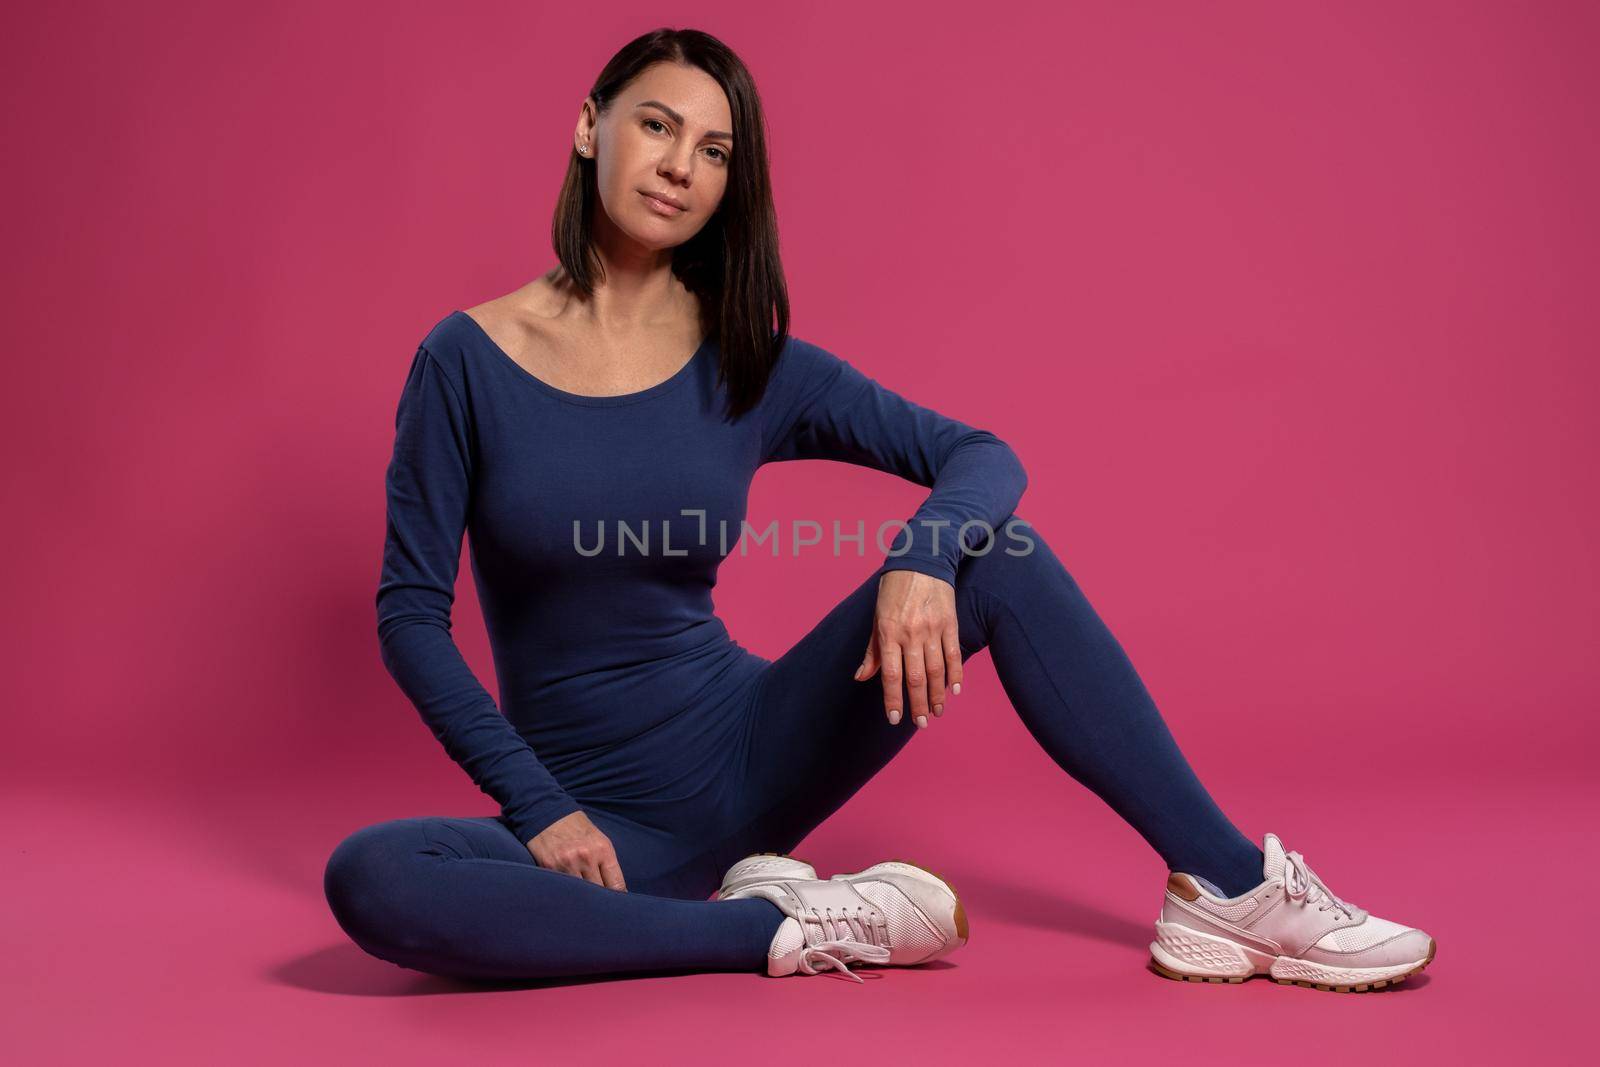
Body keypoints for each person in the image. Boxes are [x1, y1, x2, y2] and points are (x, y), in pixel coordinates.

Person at [323, 28, 1435, 991]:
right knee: (371, 879)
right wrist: (538, 807)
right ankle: (780, 925)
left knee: (994, 552)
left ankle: (1227, 886)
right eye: (656, 127)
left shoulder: (745, 358)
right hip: (592, 820)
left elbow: (979, 454)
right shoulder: (466, 360)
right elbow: (410, 617)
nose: (679, 168)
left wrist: (920, 558)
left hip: (755, 752)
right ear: (588, 127)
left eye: (714, 151)